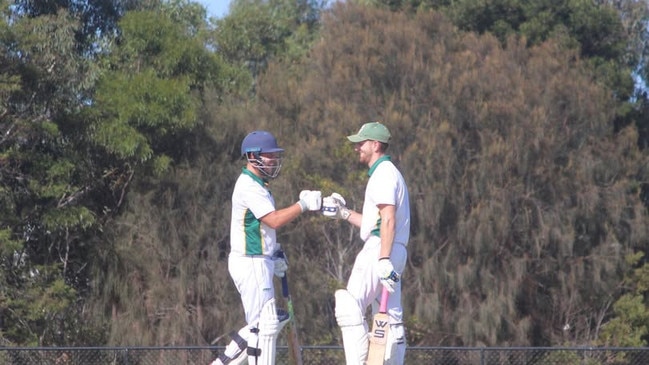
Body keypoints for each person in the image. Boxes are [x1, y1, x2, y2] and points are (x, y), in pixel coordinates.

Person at [211, 130, 322, 365]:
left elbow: (262, 229)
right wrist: (302, 205)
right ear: (252, 156)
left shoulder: (260, 185)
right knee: (263, 328)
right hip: (251, 260)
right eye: (269, 154)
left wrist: (274, 252)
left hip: (259, 259)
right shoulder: (249, 186)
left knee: (260, 326)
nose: (273, 159)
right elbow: (273, 220)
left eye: (274, 155)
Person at [322, 121, 410, 365]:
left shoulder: (383, 174)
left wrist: (382, 259)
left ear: (376, 144)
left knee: (348, 305)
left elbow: (388, 219)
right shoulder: (390, 173)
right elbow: (374, 222)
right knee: (392, 318)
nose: (356, 147)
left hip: (381, 248)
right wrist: (344, 213)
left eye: (361, 143)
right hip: (393, 249)